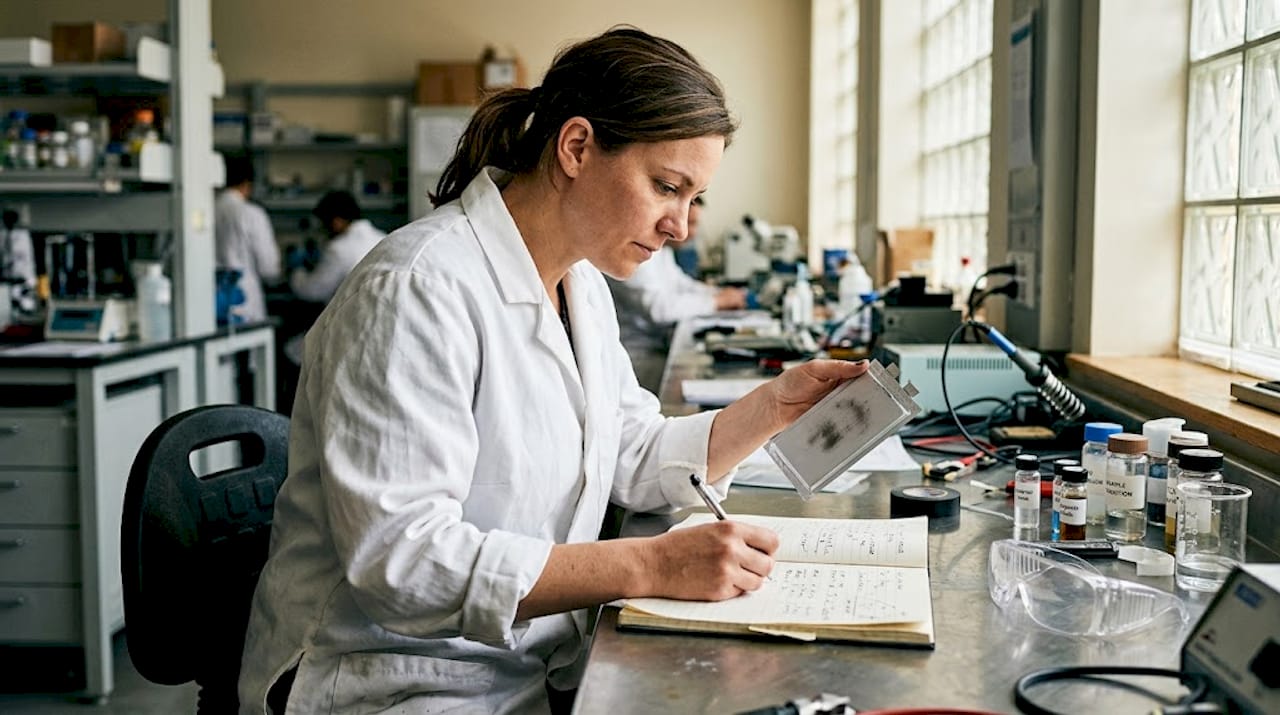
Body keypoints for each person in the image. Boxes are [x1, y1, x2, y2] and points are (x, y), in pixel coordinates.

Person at [239, 27, 867, 715]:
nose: (680, 226)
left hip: (512, 669)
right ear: (576, 148)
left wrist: (773, 405)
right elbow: (402, 559)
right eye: (667, 187)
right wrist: (650, 564)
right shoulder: (418, 288)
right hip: (384, 680)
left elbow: (631, 451)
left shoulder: (580, 285)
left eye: (692, 199)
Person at [608, 194, 747, 391]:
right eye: (689, 223)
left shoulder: (662, 252)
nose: (688, 232)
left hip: (658, 349)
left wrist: (720, 294)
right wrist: (716, 301)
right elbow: (658, 308)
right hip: (639, 361)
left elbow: (681, 284)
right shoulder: (632, 253)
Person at [288, 190, 386, 303]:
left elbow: (313, 291)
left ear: (337, 222)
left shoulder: (338, 249)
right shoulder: (382, 238)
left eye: (324, 225)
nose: (324, 231)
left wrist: (297, 271)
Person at [215, 155, 280, 323]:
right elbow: (269, 268)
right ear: (248, 183)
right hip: (245, 304)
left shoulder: (202, 210)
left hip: (208, 304)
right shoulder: (251, 213)